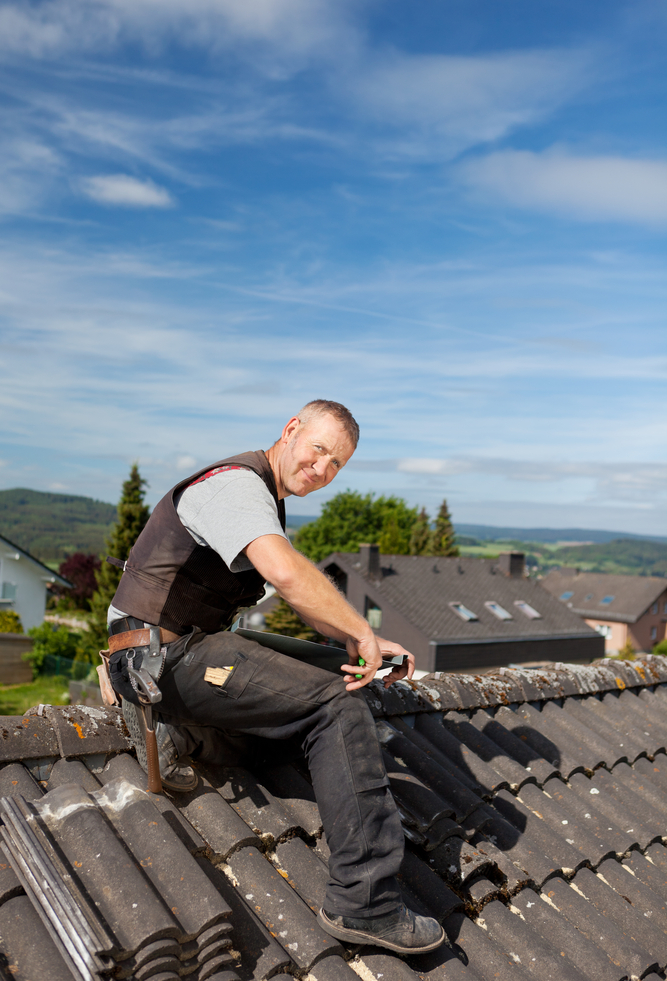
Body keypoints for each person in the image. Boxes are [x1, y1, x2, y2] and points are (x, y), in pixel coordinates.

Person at [107, 400, 444, 955]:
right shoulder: (235, 486)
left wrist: (363, 642)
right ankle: (365, 903)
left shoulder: (263, 495)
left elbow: (307, 601)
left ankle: (189, 735)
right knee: (337, 703)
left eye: (337, 464)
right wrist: (359, 626)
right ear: (291, 430)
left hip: (191, 647)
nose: (323, 470)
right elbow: (287, 575)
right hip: (159, 661)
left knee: (349, 671)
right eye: (319, 450)